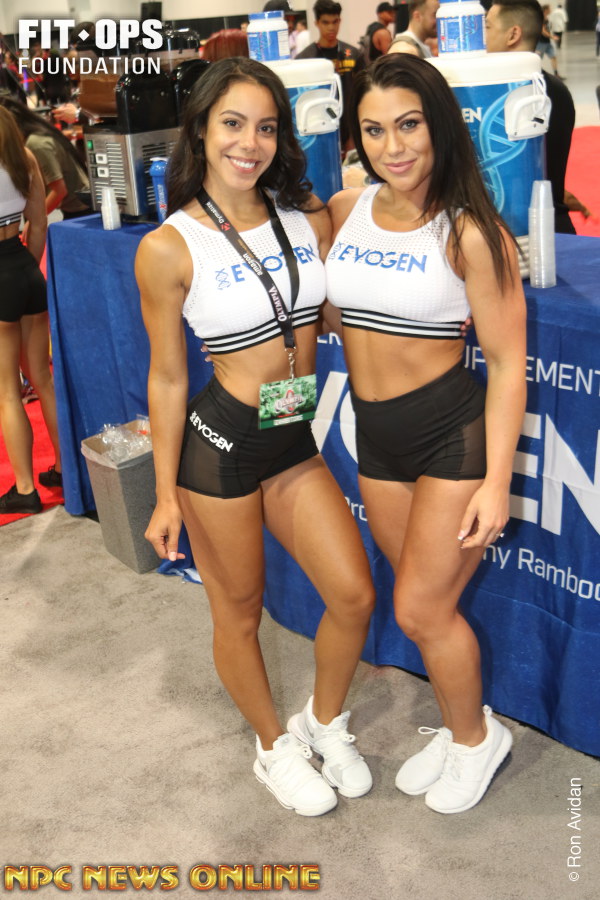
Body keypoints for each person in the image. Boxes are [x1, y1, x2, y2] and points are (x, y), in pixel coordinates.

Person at [134, 57, 375, 817]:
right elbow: (167, 379)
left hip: (292, 434)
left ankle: (322, 723)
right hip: (222, 447)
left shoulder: (303, 219)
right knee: (238, 613)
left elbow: (326, 316)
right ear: (201, 130)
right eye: (232, 123)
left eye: (266, 127)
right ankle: (273, 747)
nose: (250, 142)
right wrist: (167, 493)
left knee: (354, 594)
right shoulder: (170, 246)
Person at [325, 53, 526, 814]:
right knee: (419, 601)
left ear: (438, 125)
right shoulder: (347, 208)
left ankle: (476, 741)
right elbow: (333, 313)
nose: (393, 146)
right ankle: (457, 722)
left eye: (408, 124)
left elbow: (507, 365)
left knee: (420, 609)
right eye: (374, 130)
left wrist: (497, 482)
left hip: (450, 437)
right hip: (374, 436)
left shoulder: (471, 231)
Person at [0, 106, 62, 515]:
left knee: (7, 390)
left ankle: (24, 488)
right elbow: (38, 223)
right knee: (42, 378)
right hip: (25, 268)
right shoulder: (22, 156)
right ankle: (64, 468)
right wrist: (26, 270)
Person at [485, 0, 578, 234]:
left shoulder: (503, 95)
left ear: (513, 34)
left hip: (524, 232)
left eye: (487, 27)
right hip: (552, 224)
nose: (482, 37)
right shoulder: (556, 89)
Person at [0, 94, 91, 219]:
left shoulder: (36, 143)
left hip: (81, 212)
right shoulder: (37, 135)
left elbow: (59, 190)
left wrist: (35, 220)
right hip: (77, 209)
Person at [296, 0, 364, 150]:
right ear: (317, 23)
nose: (331, 27)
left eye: (335, 22)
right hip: (318, 129)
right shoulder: (304, 59)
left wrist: (354, 134)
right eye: (325, 22)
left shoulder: (353, 54)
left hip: (350, 129)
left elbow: (362, 95)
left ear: (340, 21)